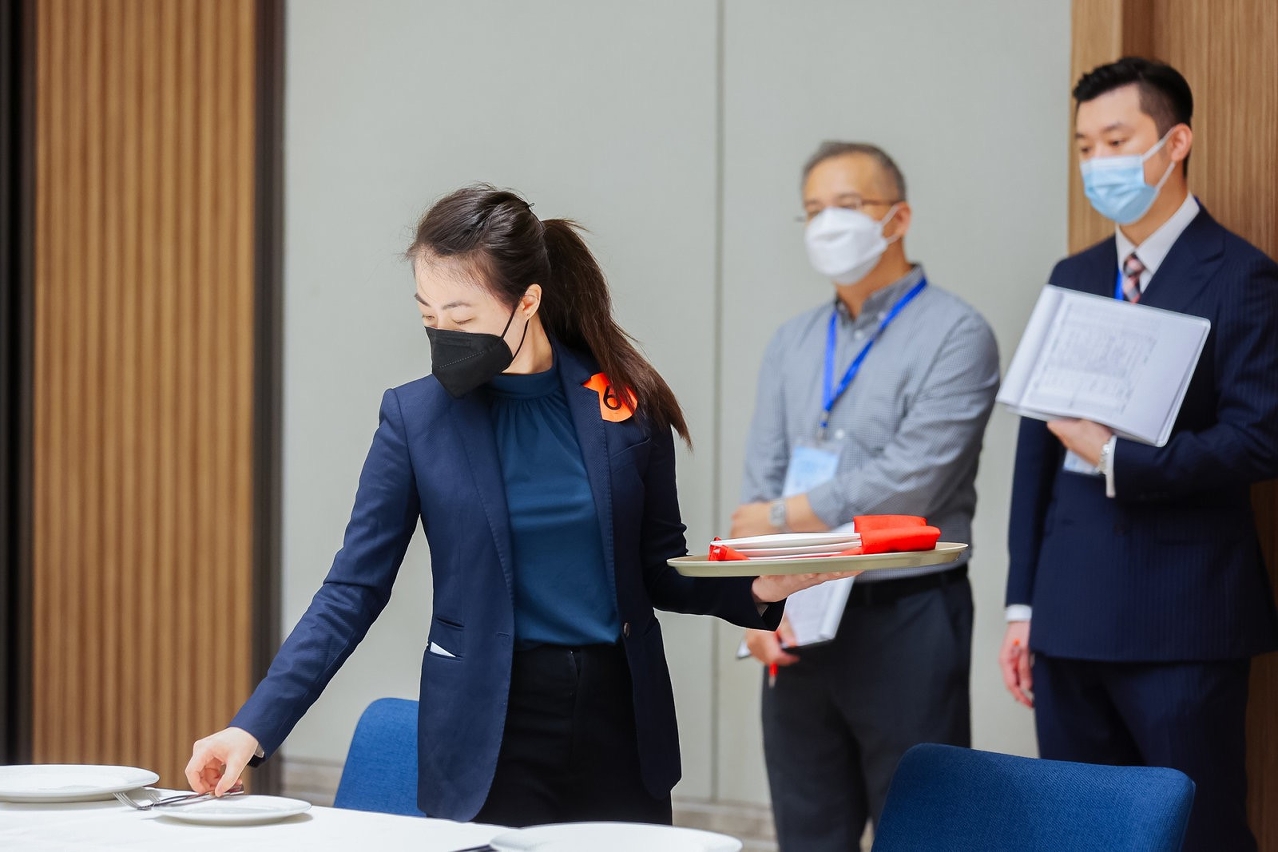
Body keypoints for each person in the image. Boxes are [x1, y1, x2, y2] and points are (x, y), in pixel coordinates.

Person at [185, 185, 846, 826]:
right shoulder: (415, 419)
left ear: (528, 300)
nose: (443, 334)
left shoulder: (623, 404)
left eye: (461, 317)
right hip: (487, 730)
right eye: (428, 317)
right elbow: (352, 590)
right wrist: (254, 725)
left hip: (618, 723)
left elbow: (657, 569)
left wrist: (757, 589)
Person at [999, 57, 1278, 852]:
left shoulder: (1243, 277)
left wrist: (1122, 460)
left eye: (1116, 142)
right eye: (1085, 147)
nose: (1098, 163)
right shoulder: (1074, 274)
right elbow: (1035, 457)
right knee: (1077, 833)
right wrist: (1022, 608)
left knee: (1198, 831)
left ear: (1175, 142)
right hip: (1068, 616)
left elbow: (1259, 438)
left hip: (1183, 620)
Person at [736, 142, 1000, 851]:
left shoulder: (956, 334)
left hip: (906, 616)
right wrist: (752, 599)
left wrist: (785, 515)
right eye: (814, 209)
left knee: (922, 831)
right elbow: (759, 481)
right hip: (800, 615)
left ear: (898, 218)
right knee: (806, 832)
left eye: (848, 205)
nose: (828, 224)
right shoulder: (792, 342)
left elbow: (912, 482)